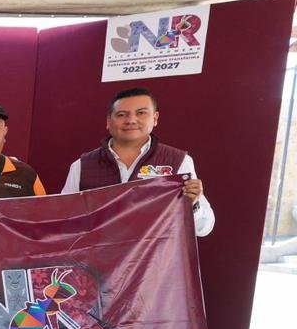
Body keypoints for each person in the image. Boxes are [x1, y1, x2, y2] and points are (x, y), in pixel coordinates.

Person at [62, 87, 215, 236]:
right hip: (97, 253)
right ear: (108, 121)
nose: (131, 120)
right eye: (121, 114)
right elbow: (64, 221)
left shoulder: (178, 161)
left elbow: (204, 228)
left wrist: (193, 204)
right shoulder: (82, 166)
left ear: (155, 118)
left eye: (141, 113)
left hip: (158, 253)